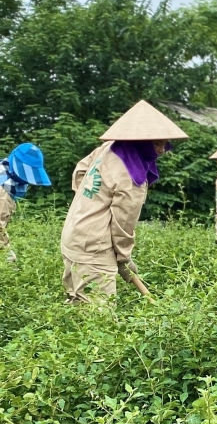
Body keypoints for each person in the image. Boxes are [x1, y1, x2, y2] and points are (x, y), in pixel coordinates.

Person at [60, 100, 189, 302]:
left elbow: (80, 172)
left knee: (77, 306)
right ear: (141, 142)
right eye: (156, 144)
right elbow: (123, 224)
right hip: (95, 248)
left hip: (74, 234)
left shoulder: (108, 149)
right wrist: (124, 258)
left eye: (164, 143)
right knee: (99, 317)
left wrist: (90, 201)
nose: (162, 150)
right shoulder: (132, 176)